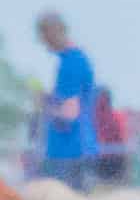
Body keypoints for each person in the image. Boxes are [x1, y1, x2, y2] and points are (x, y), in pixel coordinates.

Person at [37, 13, 110, 182]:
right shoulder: (75, 60)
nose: (43, 41)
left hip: (69, 154)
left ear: (53, 32)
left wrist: (43, 105)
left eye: (44, 35)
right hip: (76, 152)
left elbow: (69, 114)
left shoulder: (71, 63)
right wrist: (50, 99)